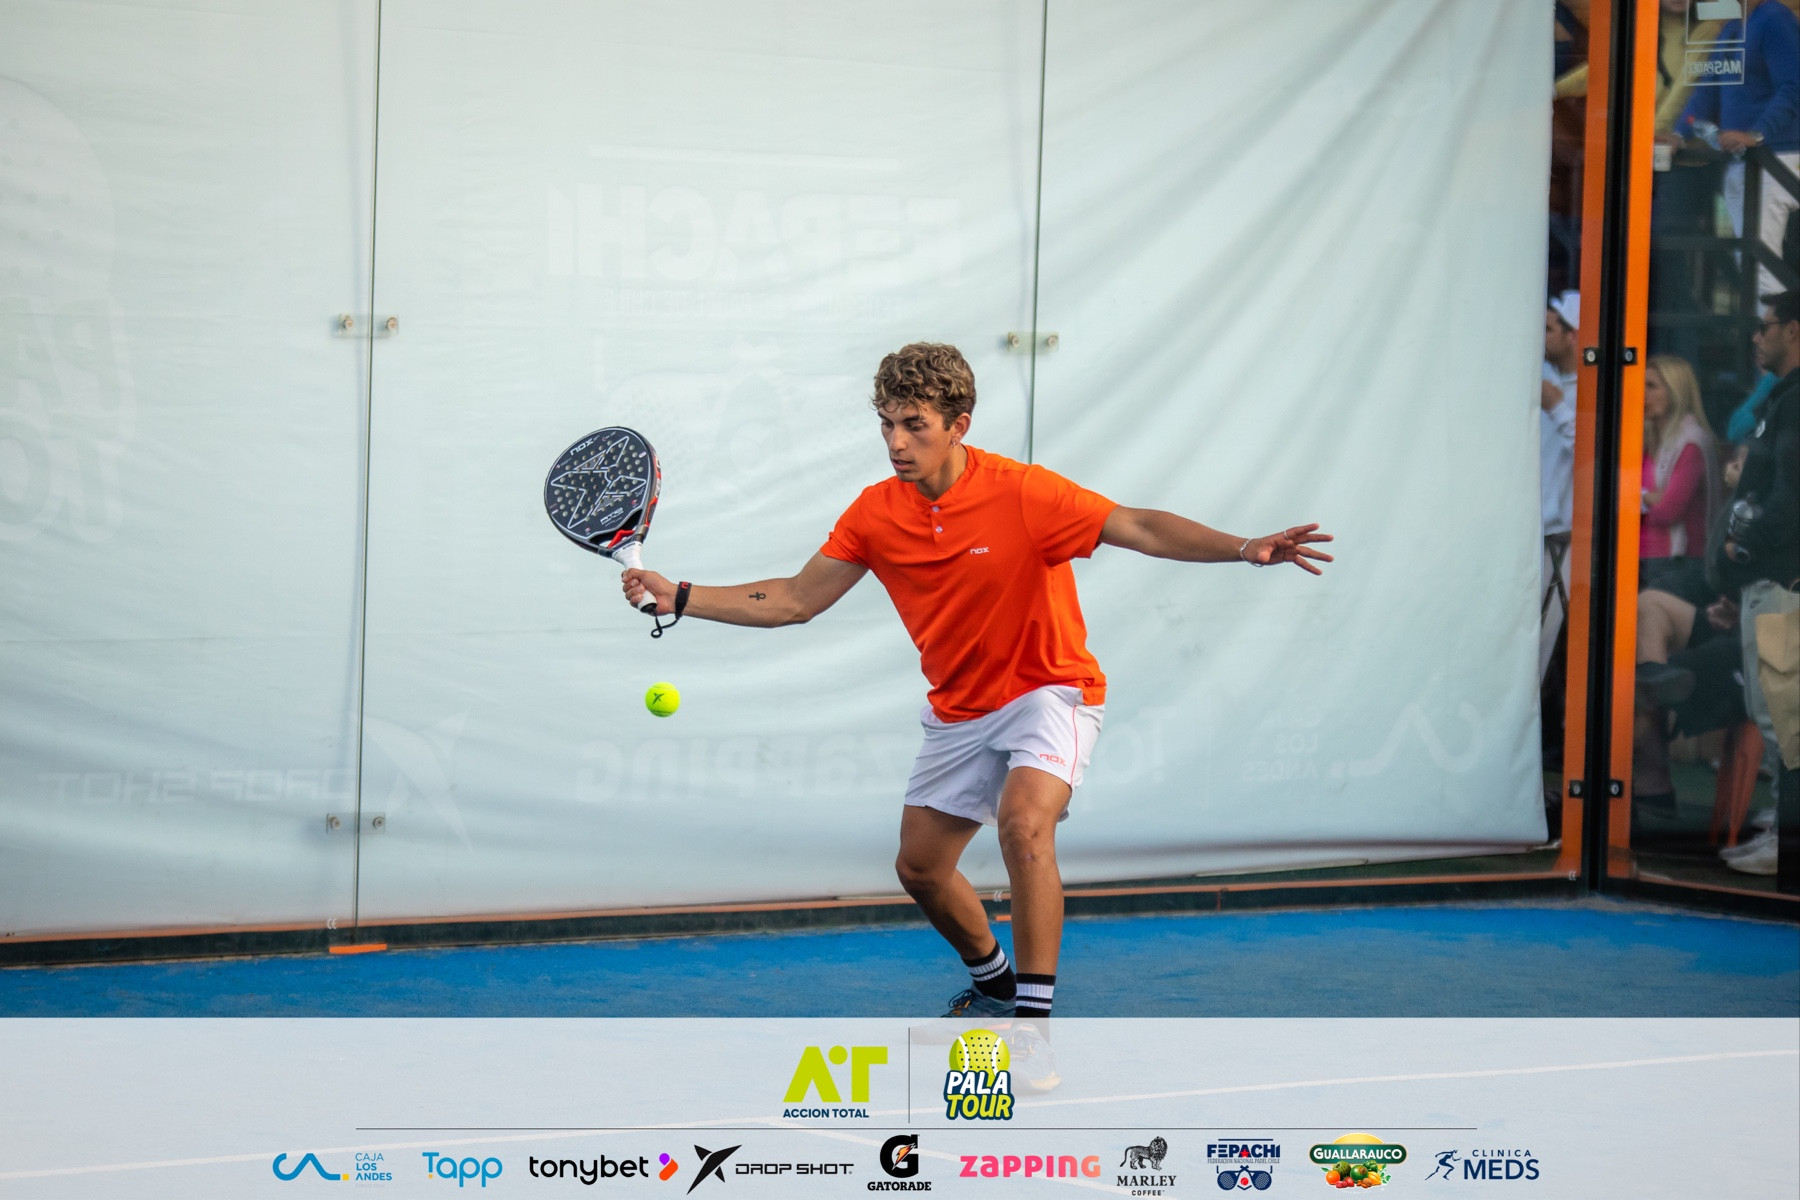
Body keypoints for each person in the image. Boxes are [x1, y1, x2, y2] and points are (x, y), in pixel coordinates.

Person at [620, 343, 1333, 1027]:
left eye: (915, 425)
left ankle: (1034, 1025)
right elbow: (795, 599)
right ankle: (993, 983)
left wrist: (1245, 548)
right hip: (961, 708)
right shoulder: (874, 512)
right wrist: (680, 596)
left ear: (958, 425)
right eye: (887, 424)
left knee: (1025, 826)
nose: (897, 442)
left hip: (1050, 690)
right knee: (921, 869)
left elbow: (1138, 526)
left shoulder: (1024, 492)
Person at [1710, 291, 1800, 876]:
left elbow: (1789, 502)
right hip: (1769, 582)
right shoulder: (1783, 398)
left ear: (1793, 330)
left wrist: (1742, 549)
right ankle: (1780, 831)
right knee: (1774, 716)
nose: (1755, 336)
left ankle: (1787, 841)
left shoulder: (1795, 403)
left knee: (1783, 721)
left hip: (1781, 584)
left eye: (1765, 326)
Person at [1670, 0, 1800, 296]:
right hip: (1746, 162)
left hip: (1776, 158)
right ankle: (1774, 323)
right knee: (1754, 261)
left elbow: (1794, 86)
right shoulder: (1731, 28)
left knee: (1760, 267)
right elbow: (1707, 91)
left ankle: (1771, 326)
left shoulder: (1774, 19)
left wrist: (1757, 133)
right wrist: (1679, 133)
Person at [1640, 354, 1720, 574]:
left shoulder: (1692, 442)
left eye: (1651, 386)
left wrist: (1637, 499)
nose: (1642, 393)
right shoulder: (1642, 440)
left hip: (1678, 561)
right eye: (1641, 385)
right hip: (1635, 555)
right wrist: (1648, 497)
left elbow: (1668, 511)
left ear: (1676, 391)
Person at [1541, 292, 1581, 682]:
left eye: (1549, 328)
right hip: (1535, 536)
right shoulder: (1548, 386)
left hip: (1563, 543)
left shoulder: (1593, 391)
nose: (1541, 337)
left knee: (1539, 648)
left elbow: (1596, 457)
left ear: (1574, 337)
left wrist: (1556, 407)